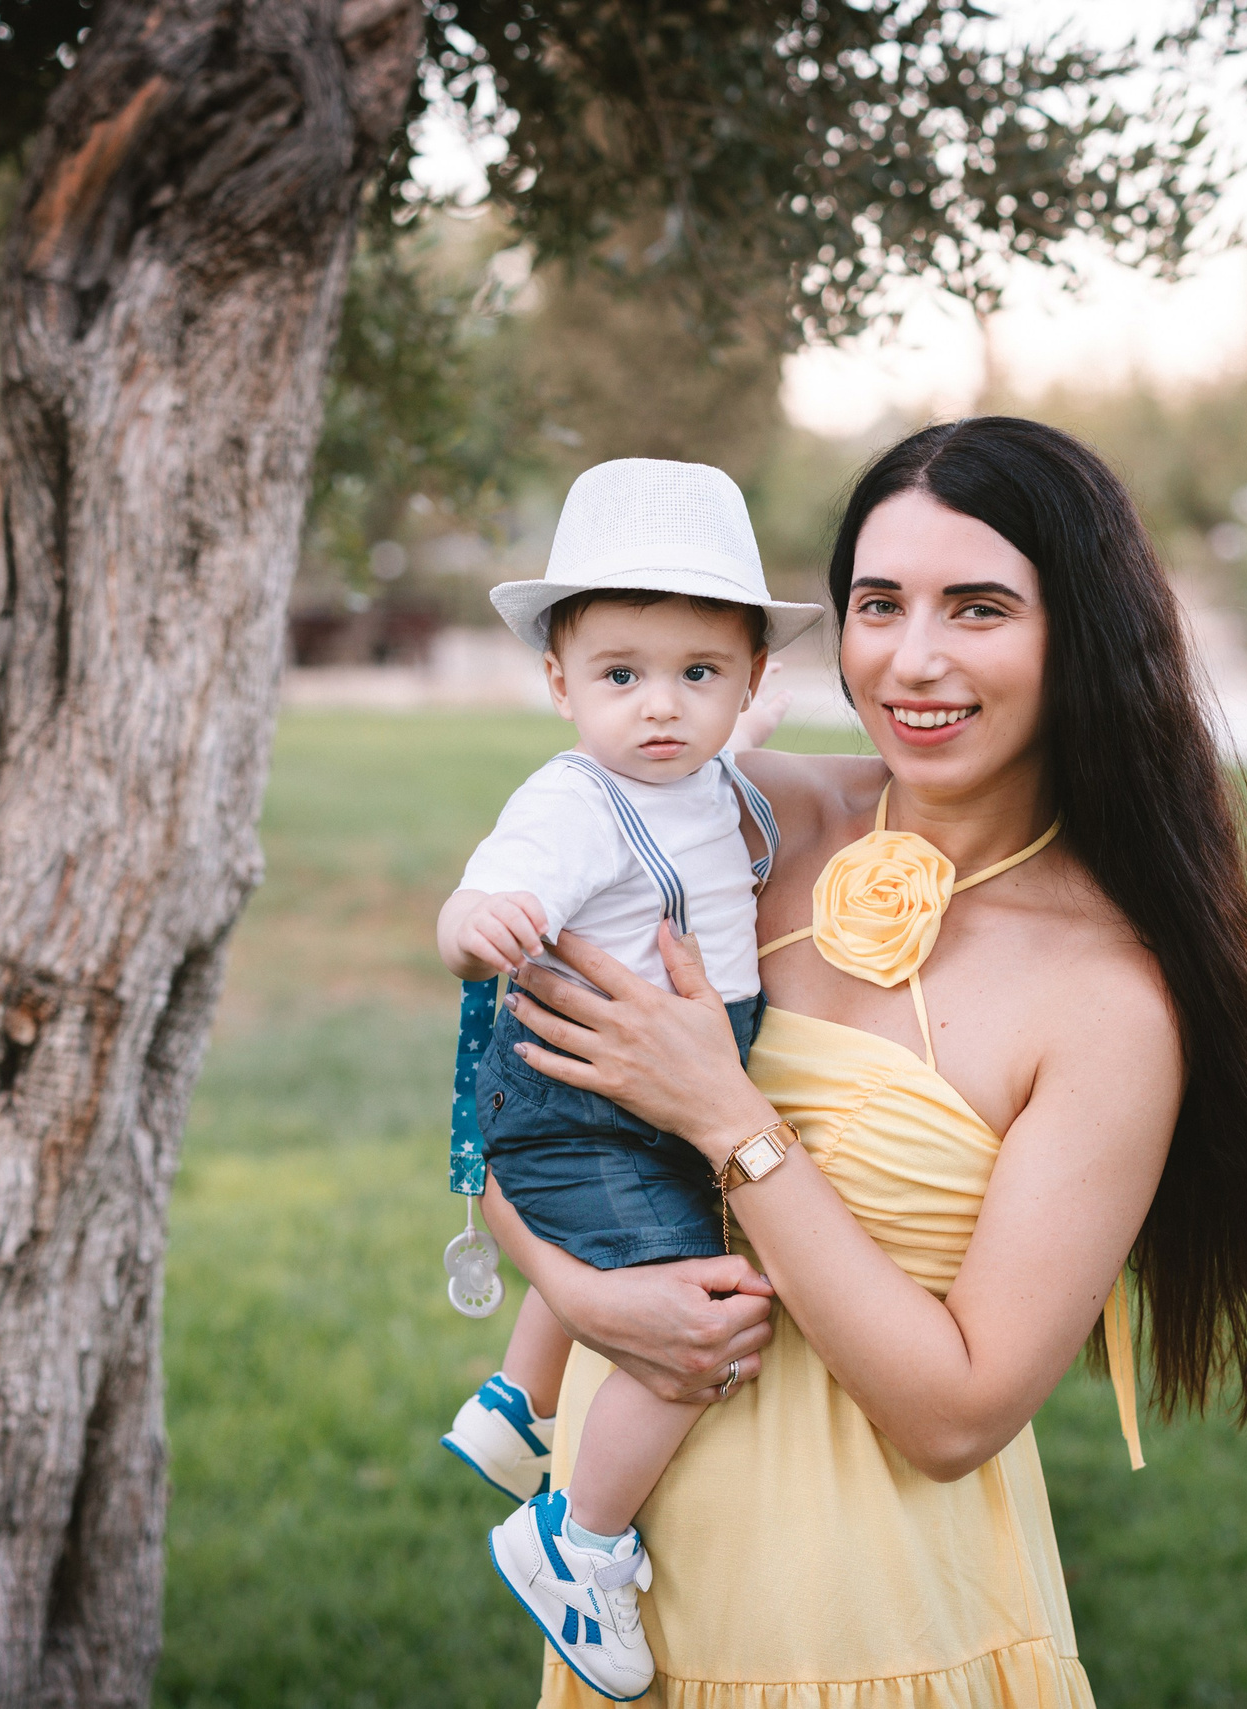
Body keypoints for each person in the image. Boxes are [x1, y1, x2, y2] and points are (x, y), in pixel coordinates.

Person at [480, 417, 1247, 1706]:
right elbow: (508, 1112)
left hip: (882, 1630)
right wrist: (582, 1294)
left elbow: (957, 1415)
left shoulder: (1110, 996)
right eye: (880, 603)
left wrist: (728, 1116)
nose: (913, 657)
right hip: (627, 1601)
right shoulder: (733, 821)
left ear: (1083, 633)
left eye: (979, 606)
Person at [435, 458, 822, 1701]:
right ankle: (576, 1538)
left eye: (698, 674)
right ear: (559, 682)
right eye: (620, 676)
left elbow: (714, 741)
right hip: (580, 1099)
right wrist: (481, 926)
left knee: (636, 1219)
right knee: (696, 1319)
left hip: (654, 1087)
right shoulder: (574, 803)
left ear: (747, 681)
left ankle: (518, 1399)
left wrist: (735, 724)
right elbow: (485, 894)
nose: (660, 707)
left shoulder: (699, 766)